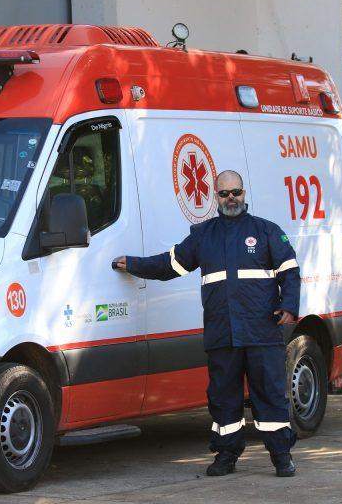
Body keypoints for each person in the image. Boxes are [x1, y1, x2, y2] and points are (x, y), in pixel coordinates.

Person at [113, 169, 300, 477]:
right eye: (224, 194)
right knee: (223, 401)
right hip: (222, 332)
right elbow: (169, 264)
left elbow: (290, 272)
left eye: (235, 192)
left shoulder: (267, 231)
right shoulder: (203, 236)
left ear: (244, 193)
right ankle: (226, 456)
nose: (231, 199)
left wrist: (289, 307)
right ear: (216, 197)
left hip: (261, 332)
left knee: (270, 396)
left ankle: (281, 456)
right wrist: (134, 264)